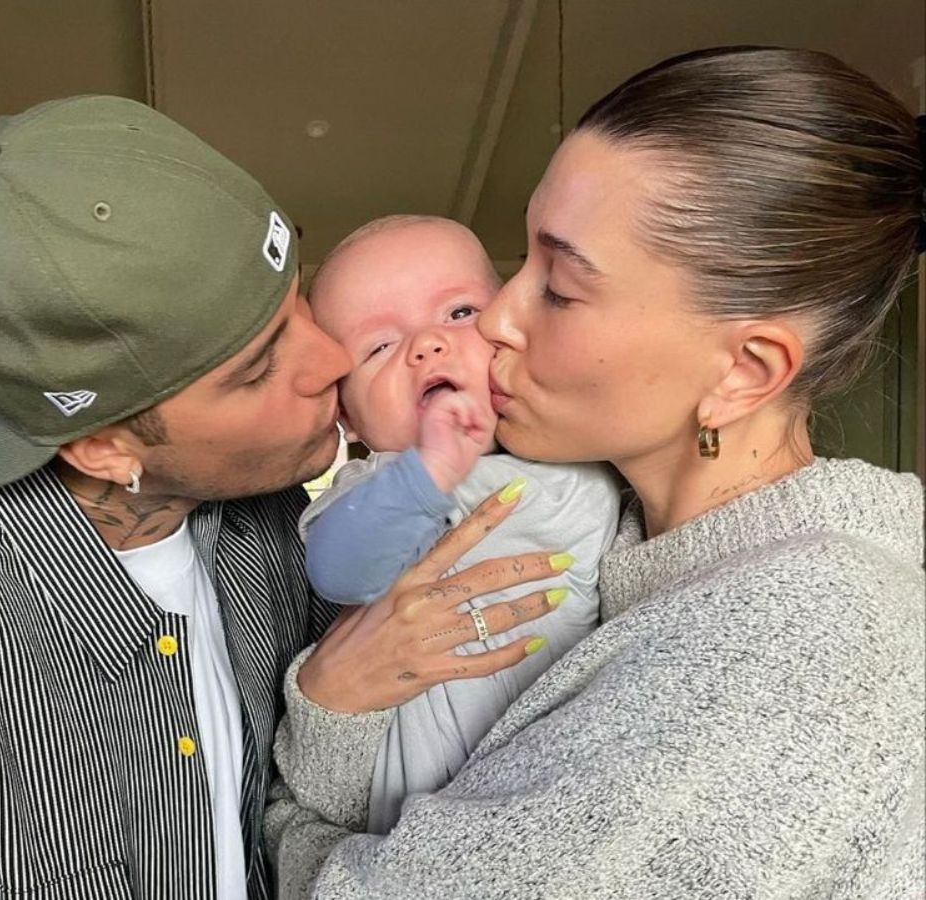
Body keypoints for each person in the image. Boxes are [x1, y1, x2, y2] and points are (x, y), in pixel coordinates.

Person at [0, 96, 554, 900]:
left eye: (296, 305)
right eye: (258, 368)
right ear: (105, 446)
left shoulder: (269, 526)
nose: (332, 361)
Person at [265, 47, 925, 899]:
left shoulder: (790, 651)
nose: (492, 322)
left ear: (743, 372)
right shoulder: (653, 552)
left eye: (560, 288)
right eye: (522, 264)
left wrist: (302, 804)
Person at [299, 214, 620, 833]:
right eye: (379, 347)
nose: (426, 345)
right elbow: (341, 569)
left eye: (460, 313)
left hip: (573, 787)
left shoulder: (581, 448)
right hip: (427, 818)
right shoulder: (381, 484)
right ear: (349, 421)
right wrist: (430, 470)